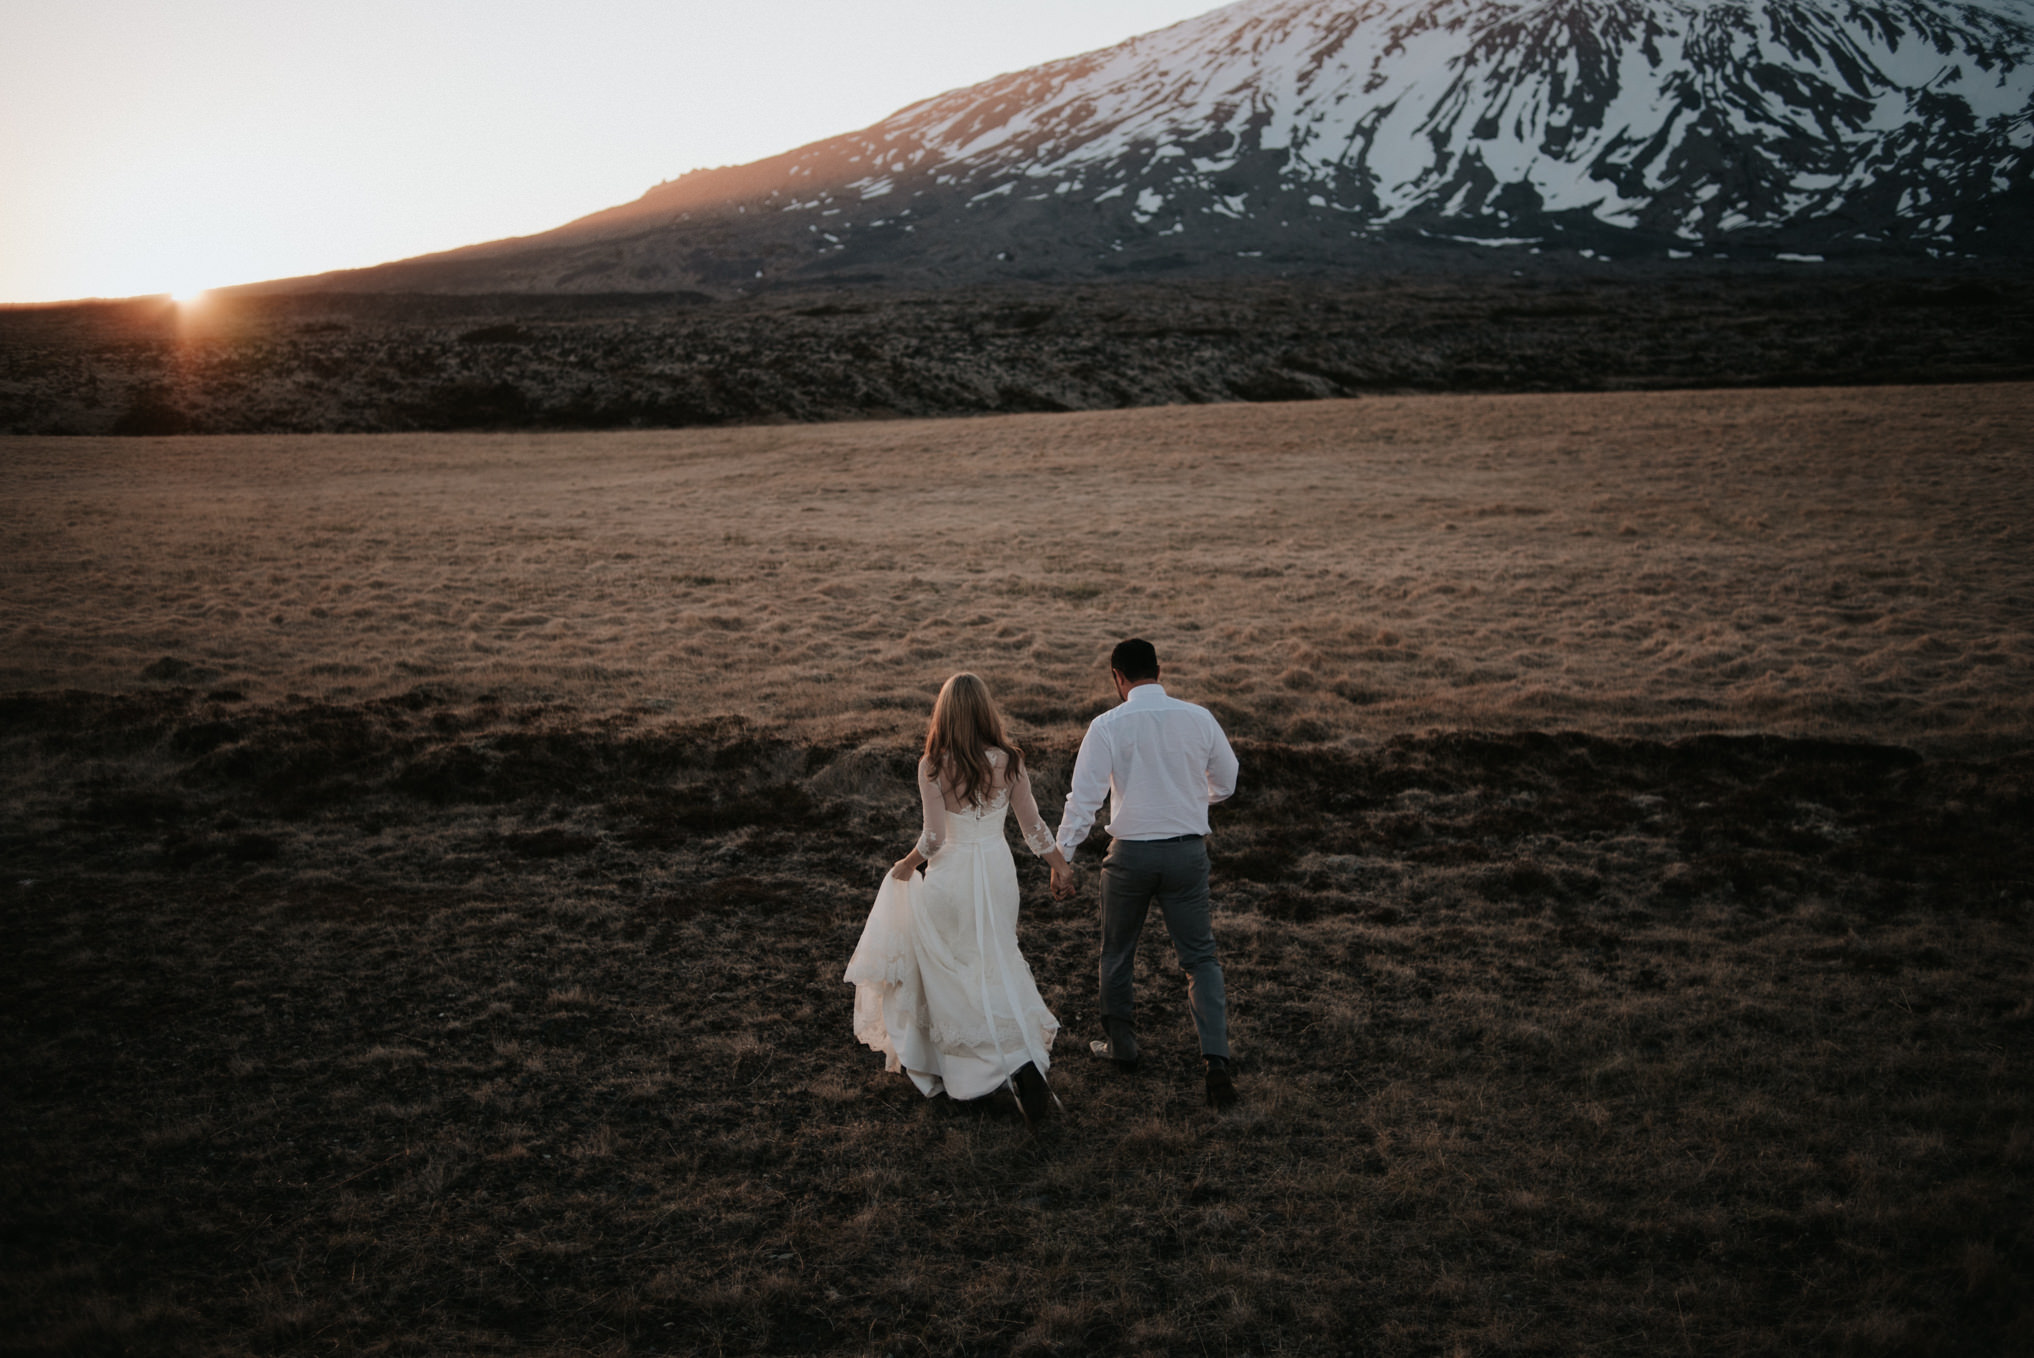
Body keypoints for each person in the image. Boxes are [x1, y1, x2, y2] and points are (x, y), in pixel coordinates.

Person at [844, 672, 1072, 1128]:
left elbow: (934, 837)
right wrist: (1060, 865)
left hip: (953, 877)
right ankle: (1018, 1062)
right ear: (986, 710)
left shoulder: (933, 765)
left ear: (944, 713)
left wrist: (906, 866)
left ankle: (978, 1071)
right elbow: (1032, 829)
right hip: (996, 871)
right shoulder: (1010, 761)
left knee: (952, 968)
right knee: (995, 959)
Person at [1053, 638, 1240, 1107]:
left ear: (1118, 678)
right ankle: (1215, 1059)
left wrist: (1063, 858)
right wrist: (1193, 800)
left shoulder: (1107, 725)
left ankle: (1122, 1047)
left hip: (1130, 857)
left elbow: (1085, 800)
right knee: (1200, 958)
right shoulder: (1199, 717)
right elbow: (1229, 780)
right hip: (1186, 854)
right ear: (1159, 669)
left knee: (1117, 953)